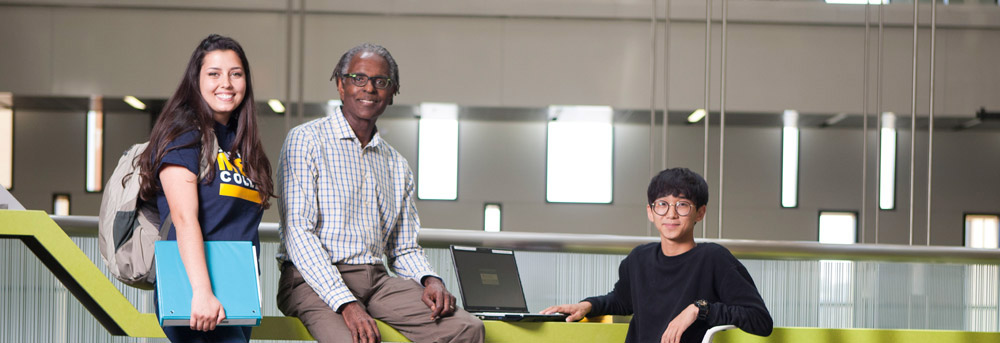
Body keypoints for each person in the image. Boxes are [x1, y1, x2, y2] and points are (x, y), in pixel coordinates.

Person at [276, 43, 484, 343]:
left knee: (467, 329)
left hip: (377, 281)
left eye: (380, 81)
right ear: (340, 84)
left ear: (392, 91)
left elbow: (403, 248)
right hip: (311, 280)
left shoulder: (396, 164)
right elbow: (298, 232)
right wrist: (346, 303)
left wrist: (430, 279)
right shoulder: (306, 140)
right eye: (358, 78)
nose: (369, 88)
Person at [137, 34, 274, 343]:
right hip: (198, 292)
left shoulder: (239, 141)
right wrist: (201, 292)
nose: (225, 82)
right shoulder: (183, 134)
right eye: (213, 73)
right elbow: (184, 218)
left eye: (235, 74)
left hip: (235, 290)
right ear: (195, 81)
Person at [541, 167, 773, 343]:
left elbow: (760, 320)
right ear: (650, 212)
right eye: (662, 204)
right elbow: (623, 301)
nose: (671, 214)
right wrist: (587, 305)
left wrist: (699, 309)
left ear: (700, 213)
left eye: (682, 205)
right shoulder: (639, 259)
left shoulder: (714, 259)